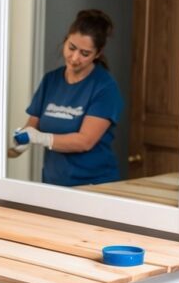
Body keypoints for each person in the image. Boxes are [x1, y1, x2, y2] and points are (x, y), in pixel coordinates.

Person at [10, 9, 123, 187]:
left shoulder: (105, 87)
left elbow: (85, 141)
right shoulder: (51, 80)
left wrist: (40, 138)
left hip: (94, 185)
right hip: (53, 183)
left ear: (98, 53)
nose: (75, 57)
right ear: (65, 41)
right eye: (71, 48)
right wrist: (17, 144)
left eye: (85, 53)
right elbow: (33, 125)